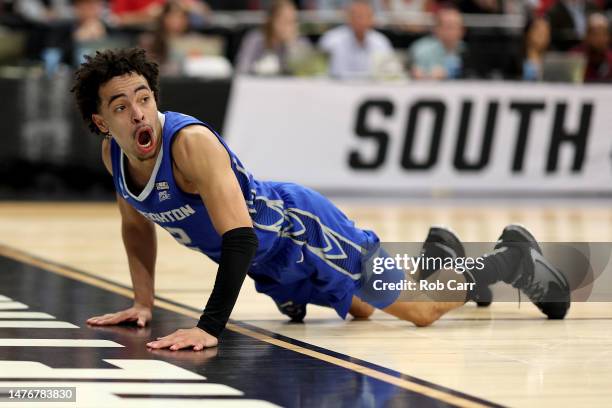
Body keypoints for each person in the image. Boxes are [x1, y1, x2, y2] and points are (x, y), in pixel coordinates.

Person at [73, 48, 571, 351]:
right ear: (102, 123)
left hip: (300, 231)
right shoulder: (112, 156)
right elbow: (137, 224)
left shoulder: (189, 143)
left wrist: (209, 328)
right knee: (361, 309)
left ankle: (507, 261)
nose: (138, 114)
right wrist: (142, 301)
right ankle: (439, 261)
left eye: (144, 97)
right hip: (272, 260)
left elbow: (240, 237)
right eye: (121, 106)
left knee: (418, 313)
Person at [318, 0, 394, 79]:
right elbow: (320, 73)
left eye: (366, 16)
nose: (361, 21)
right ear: (348, 18)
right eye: (358, 16)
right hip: (336, 87)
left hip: (372, 88)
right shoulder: (331, 40)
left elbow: (388, 74)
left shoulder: (381, 42)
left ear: (372, 20)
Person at [235, 0, 312, 76]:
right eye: (284, 20)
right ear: (272, 20)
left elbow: (308, 72)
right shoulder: (255, 39)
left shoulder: (301, 42)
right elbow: (242, 68)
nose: (288, 26)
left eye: (292, 21)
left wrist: (292, 45)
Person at [408, 7, 466, 80]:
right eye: (449, 26)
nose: (453, 31)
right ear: (437, 29)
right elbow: (417, 73)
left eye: (457, 26)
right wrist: (429, 76)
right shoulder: (422, 48)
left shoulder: (467, 50)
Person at [571, 12, 612, 82]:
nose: (600, 39)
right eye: (595, 34)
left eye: (604, 34)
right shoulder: (574, 58)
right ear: (586, 36)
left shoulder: (610, 58)